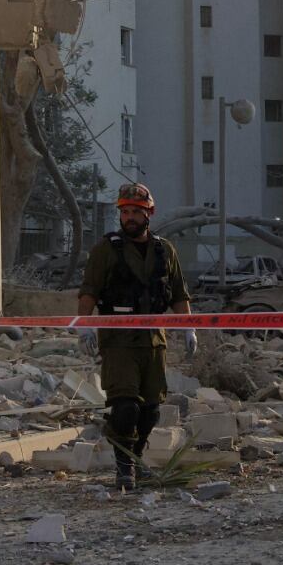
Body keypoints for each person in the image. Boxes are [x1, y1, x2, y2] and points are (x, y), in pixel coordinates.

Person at [76, 183, 195, 490]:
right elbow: (89, 289)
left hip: (153, 340)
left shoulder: (164, 250)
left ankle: (136, 455)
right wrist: (84, 323)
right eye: (125, 212)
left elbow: (179, 293)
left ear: (148, 214)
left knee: (150, 410)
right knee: (125, 404)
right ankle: (123, 465)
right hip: (118, 340)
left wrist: (188, 327)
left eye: (135, 212)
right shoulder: (106, 249)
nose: (129, 217)